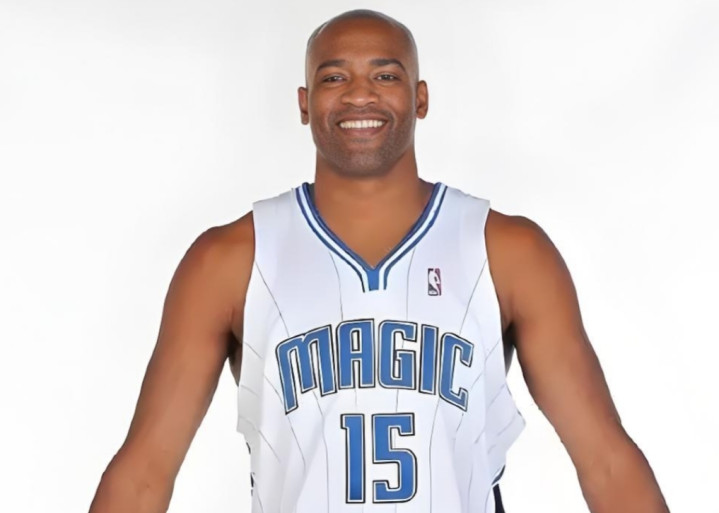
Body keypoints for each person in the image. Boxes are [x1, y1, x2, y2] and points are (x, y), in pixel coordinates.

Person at [89, 9, 669, 513]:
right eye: (334, 77)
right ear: (304, 103)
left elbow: (606, 461)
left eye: (385, 75)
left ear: (420, 97)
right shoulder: (229, 259)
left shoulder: (508, 251)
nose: (359, 95)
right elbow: (144, 473)